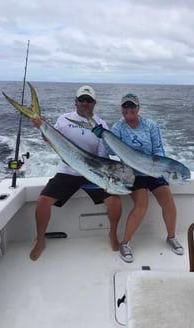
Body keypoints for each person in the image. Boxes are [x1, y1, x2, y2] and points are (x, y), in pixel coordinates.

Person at [29, 85, 121, 261]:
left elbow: (102, 155)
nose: (85, 103)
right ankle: (40, 241)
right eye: (82, 99)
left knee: (115, 200)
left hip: (92, 172)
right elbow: (50, 140)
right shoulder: (63, 119)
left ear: (94, 103)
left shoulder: (101, 124)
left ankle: (113, 234)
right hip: (68, 171)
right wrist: (40, 127)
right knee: (42, 201)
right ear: (75, 101)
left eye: (89, 100)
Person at [94, 93, 184, 263]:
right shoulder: (118, 128)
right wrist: (102, 137)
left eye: (132, 106)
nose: (129, 109)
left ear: (138, 108)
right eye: (125, 106)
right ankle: (125, 243)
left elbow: (158, 150)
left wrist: (157, 168)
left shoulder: (150, 125)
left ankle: (171, 237)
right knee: (142, 205)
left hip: (152, 169)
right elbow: (112, 152)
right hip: (132, 173)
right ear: (121, 108)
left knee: (168, 201)